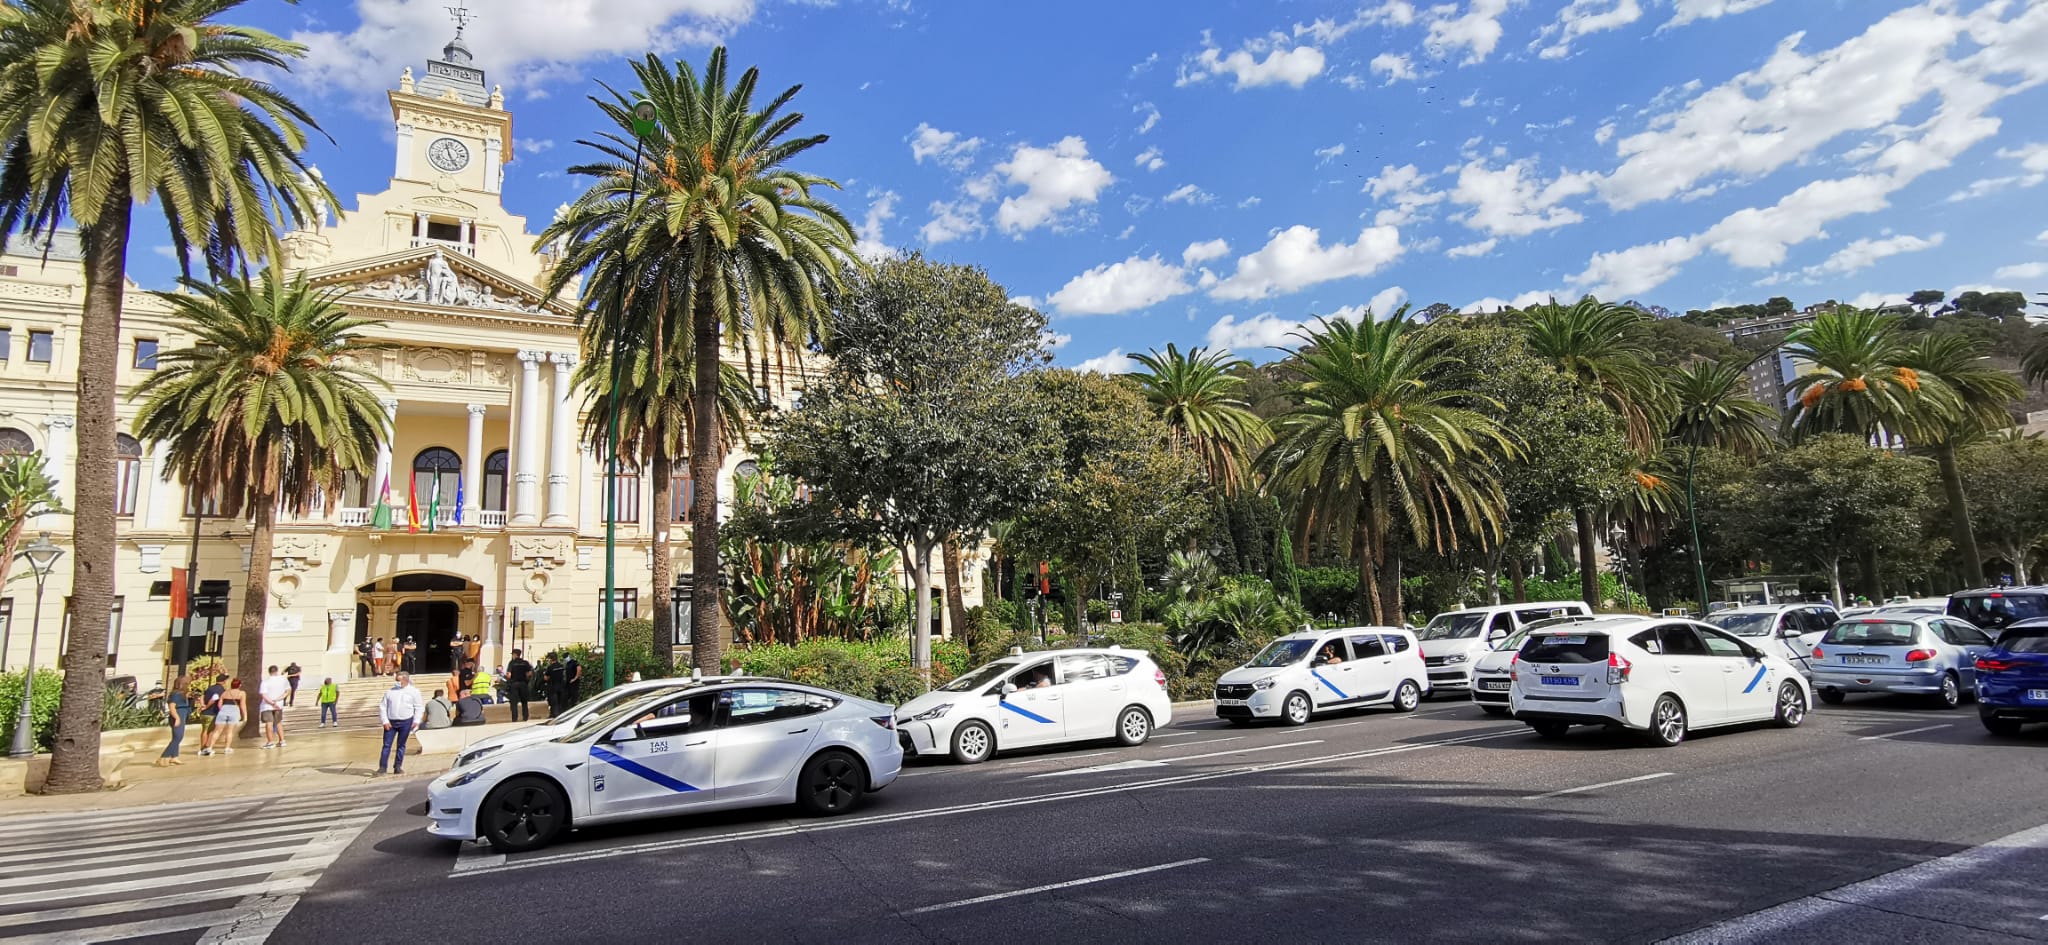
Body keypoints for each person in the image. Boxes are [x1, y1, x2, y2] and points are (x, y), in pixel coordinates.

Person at [377, 672, 425, 776]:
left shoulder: (414, 692)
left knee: (401, 745)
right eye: (396, 680)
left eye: (399, 681)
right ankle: (382, 767)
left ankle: (397, 767)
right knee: (386, 745)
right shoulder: (390, 692)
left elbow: (419, 707)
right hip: (391, 722)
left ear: (405, 680)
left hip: (406, 721)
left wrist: (416, 720)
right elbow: (383, 707)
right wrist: (385, 721)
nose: (397, 683)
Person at [156, 674, 191, 767]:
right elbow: (172, 707)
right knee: (178, 737)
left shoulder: (181, 694)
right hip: (178, 715)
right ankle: (164, 756)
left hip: (182, 714)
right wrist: (177, 718)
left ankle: (174, 757)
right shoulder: (176, 694)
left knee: (177, 737)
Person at [257, 665, 290, 749]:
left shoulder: (265, 682)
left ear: (269, 672)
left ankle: (270, 742)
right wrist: (278, 699)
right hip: (279, 705)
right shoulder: (283, 680)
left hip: (267, 706)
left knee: (269, 723)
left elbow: (264, 695)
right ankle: (282, 741)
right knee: (278, 722)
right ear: (277, 671)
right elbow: (287, 691)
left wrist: (272, 703)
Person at [213, 677, 248, 754]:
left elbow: (219, 704)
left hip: (223, 710)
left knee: (217, 731)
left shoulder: (225, 693)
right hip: (234, 711)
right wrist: (245, 716)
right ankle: (227, 748)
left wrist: (223, 710)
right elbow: (243, 705)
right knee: (229, 731)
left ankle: (209, 748)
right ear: (239, 685)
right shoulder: (241, 693)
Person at [197, 673, 228, 756]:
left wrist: (202, 705)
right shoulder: (221, 690)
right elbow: (214, 699)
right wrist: (206, 706)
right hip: (212, 713)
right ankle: (205, 748)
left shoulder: (210, 688)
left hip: (204, 713)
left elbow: (202, 696)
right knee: (210, 731)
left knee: (204, 730)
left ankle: (203, 747)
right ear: (223, 681)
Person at [505, 649, 533, 722]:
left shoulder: (512, 663)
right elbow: (529, 673)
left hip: (514, 684)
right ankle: (525, 717)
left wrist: (507, 678)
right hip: (523, 684)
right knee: (524, 701)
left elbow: (509, 675)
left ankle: (515, 718)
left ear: (515, 655)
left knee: (514, 702)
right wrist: (526, 679)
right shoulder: (525, 663)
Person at [541, 653, 566, 717]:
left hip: (553, 686)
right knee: (560, 702)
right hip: (561, 686)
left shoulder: (550, 667)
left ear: (551, 659)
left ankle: (555, 715)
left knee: (554, 703)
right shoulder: (561, 666)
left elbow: (546, 678)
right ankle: (561, 715)